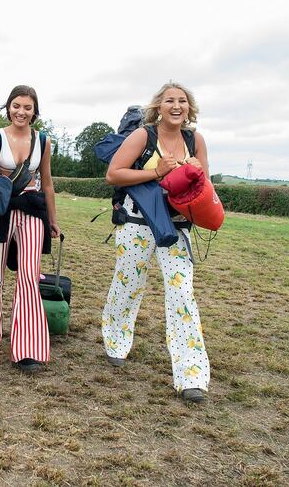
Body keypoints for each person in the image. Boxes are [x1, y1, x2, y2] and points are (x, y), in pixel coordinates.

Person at [101, 82, 211, 403]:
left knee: (182, 294)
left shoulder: (195, 139)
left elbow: (206, 181)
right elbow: (114, 174)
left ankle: (191, 375)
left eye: (182, 101)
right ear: (158, 107)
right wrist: (156, 172)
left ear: (189, 107)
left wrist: (198, 180)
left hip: (177, 225)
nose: (176, 106)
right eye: (169, 101)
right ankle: (116, 340)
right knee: (128, 284)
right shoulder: (143, 136)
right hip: (137, 221)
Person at [0, 85, 60, 373]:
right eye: (16, 106)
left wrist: (53, 219)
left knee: (28, 276)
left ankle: (27, 348)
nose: (21, 111)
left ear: (35, 111)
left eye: (27, 107)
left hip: (32, 209)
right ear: (8, 107)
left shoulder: (44, 141)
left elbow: (47, 181)